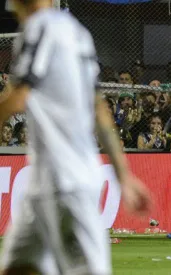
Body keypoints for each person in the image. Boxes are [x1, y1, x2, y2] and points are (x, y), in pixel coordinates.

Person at [0, 1, 151, 274]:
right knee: (18, 267)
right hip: (46, 184)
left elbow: (18, 97)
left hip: (64, 184)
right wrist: (123, 175)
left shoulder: (38, 29)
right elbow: (99, 110)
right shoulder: (78, 34)